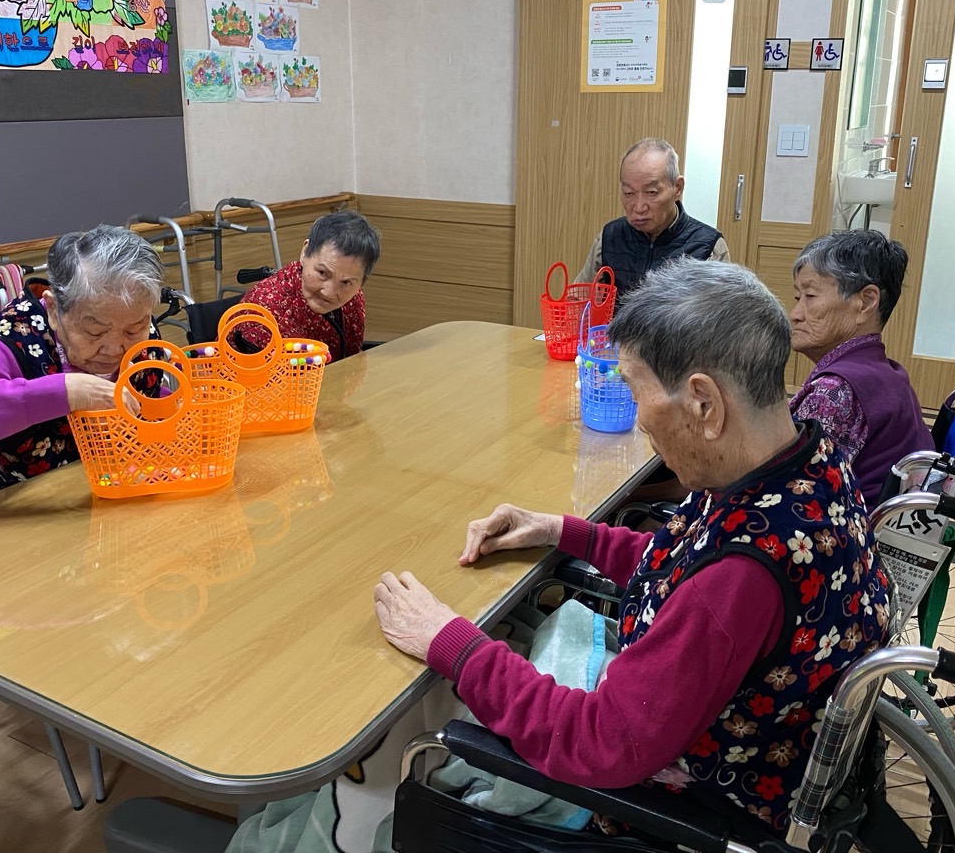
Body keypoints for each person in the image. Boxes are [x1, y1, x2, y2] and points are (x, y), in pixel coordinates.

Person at [375, 259, 889, 837]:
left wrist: (450, 642)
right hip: (747, 731)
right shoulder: (807, 464)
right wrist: (562, 530)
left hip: (681, 806)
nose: (639, 419)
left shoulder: (739, 580)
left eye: (635, 390)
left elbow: (597, 742)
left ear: (704, 404)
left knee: (399, 739)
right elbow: (684, 559)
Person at [0, 225, 166, 501]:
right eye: (95, 331)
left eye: (133, 329)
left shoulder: (143, 334)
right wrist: (66, 392)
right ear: (54, 310)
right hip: (19, 514)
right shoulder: (10, 338)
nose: (115, 348)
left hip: (120, 499)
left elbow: (148, 397)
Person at [789, 230, 934, 503]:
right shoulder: (885, 373)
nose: (795, 315)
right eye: (798, 298)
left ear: (866, 302)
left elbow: (790, 494)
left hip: (852, 527)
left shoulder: (835, 391)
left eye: (810, 296)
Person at [574, 137, 729, 296]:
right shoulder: (609, 237)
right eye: (628, 193)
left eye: (651, 192)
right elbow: (578, 300)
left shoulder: (709, 248)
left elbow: (720, 311)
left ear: (678, 188)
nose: (639, 207)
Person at [237, 210, 381, 359]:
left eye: (345, 282)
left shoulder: (354, 298)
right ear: (305, 252)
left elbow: (351, 359)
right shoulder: (264, 316)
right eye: (322, 273)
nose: (329, 293)